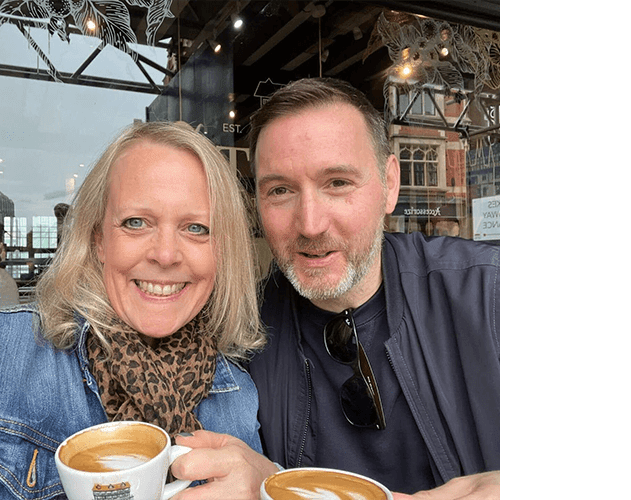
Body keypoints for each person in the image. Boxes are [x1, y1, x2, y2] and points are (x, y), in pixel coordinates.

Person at [174, 78, 500, 499]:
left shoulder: (488, 292)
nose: (310, 224)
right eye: (281, 190)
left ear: (390, 184)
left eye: (338, 183)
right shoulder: (237, 333)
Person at [0, 121, 267, 499]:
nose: (165, 254)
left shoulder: (239, 399)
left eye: (196, 228)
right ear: (99, 243)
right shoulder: (9, 356)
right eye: (136, 223)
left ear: (222, 252)